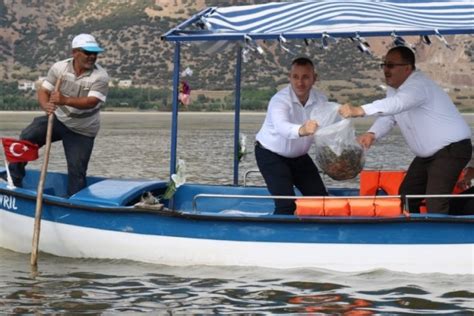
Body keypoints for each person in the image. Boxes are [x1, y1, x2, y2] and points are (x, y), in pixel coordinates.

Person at [338, 46, 472, 214]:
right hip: (430, 155)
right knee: (407, 196)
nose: (386, 70)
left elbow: (398, 104)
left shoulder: (418, 85)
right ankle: (413, 233)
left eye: (391, 65)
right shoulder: (394, 89)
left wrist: (360, 110)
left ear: (408, 68)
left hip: (451, 150)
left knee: (435, 202)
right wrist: (372, 134)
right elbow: (390, 116)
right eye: (384, 65)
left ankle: (441, 237)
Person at [8, 33, 110, 196]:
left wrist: (64, 99)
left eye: (95, 53)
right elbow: (44, 90)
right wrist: (46, 106)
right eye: (87, 52)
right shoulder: (59, 68)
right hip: (59, 119)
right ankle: (13, 179)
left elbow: (91, 101)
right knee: (28, 135)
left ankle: (74, 203)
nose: (92, 56)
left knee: (77, 170)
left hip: (83, 129)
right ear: (75, 52)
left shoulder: (100, 76)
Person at [255, 57, 328, 215]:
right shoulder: (279, 100)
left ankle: (318, 236)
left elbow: (327, 129)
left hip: (300, 157)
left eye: (305, 77)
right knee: (286, 205)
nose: (300, 83)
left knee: (322, 201)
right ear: (290, 77)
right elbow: (282, 128)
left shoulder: (321, 100)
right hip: (270, 154)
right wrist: (303, 129)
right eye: (295, 77)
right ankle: (280, 237)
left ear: (314, 78)